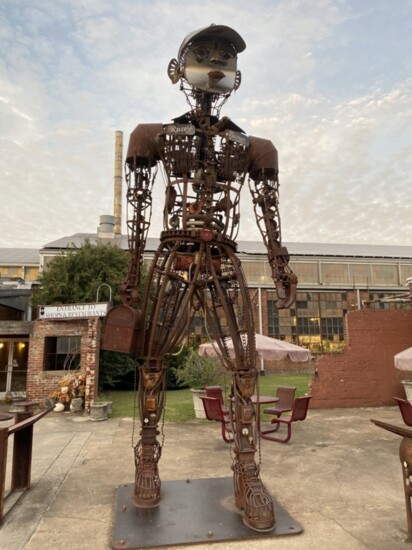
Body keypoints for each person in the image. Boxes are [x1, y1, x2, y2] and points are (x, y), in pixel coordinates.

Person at [103, 24, 297, 532]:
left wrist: (280, 266)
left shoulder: (253, 147)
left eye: (225, 57)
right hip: (172, 258)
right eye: (204, 54)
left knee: (244, 366)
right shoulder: (154, 137)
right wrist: (130, 275)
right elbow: (140, 212)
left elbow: (267, 212)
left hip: (224, 263)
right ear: (179, 67)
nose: (215, 64)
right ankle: (147, 459)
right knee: (152, 359)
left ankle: (248, 471)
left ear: (236, 73)